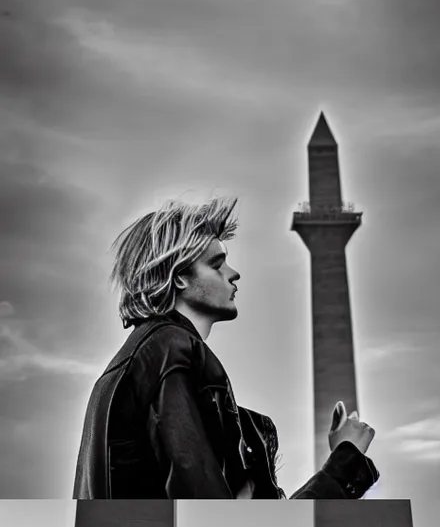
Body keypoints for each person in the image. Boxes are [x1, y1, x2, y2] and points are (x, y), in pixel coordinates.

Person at [73, 199, 378, 499]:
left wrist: (343, 463)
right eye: (216, 264)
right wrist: (345, 462)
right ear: (179, 276)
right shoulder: (172, 353)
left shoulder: (139, 360)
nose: (233, 273)